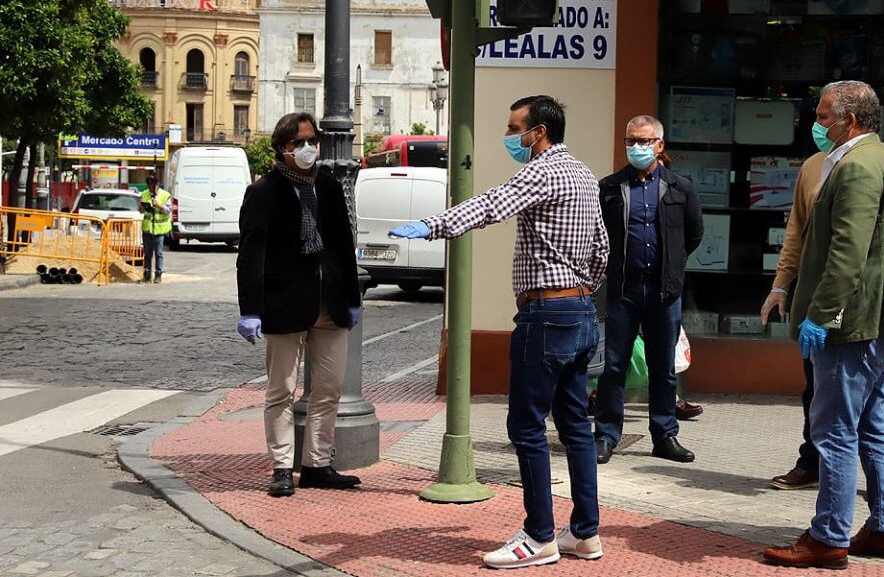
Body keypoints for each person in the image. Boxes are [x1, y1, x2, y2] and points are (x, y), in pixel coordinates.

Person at [390, 96, 608, 569]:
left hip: (545, 315)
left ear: (540, 131)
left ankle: (539, 536)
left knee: (526, 427)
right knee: (575, 428)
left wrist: (433, 226)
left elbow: (493, 204)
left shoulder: (543, 171)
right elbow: (602, 248)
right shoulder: (585, 175)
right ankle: (585, 534)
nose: (510, 137)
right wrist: (580, 290)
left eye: (515, 128)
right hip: (581, 309)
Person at [763, 81, 884, 569]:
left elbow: (847, 254)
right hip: (877, 318)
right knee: (871, 426)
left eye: (824, 115)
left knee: (833, 432)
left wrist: (821, 315)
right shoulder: (882, 158)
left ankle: (827, 537)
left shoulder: (857, 167)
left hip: (854, 323)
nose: (817, 122)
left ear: (850, 120)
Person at [235, 112, 363, 498]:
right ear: (281, 148)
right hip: (284, 303)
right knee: (281, 390)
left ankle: (317, 465)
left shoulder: (326, 185)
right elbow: (250, 254)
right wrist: (250, 309)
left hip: (330, 303)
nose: (307, 149)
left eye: (312, 141)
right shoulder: (264, 191)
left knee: (329, 388)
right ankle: (280, 467)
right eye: (298, 143)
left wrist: (352, 298)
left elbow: (342, 244)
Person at [593, 116, 703, 465]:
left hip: (663, 292)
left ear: (659, 145)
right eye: (631, 141)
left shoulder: (679, 187)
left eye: (643, 141)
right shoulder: (610, 187)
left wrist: (670, 264)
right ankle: (607, 435)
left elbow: (693, 233)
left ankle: (664, 435)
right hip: (623, 290)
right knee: (614, 366)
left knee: (663, 368)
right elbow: (599, 234)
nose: (636, 147)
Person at [139, 174, 172, 283]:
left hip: (159, 230)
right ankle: (147, 275)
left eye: (152, 186)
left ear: (157, 184)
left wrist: (158, 205)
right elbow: (141, 211)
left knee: (158, 253)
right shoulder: (144, 194)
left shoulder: (165, 195)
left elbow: (168, 210)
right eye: (149, 186)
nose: (150, 188)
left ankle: (158, 275)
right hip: (147, 229)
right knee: (147, 254)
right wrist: (142, 207)